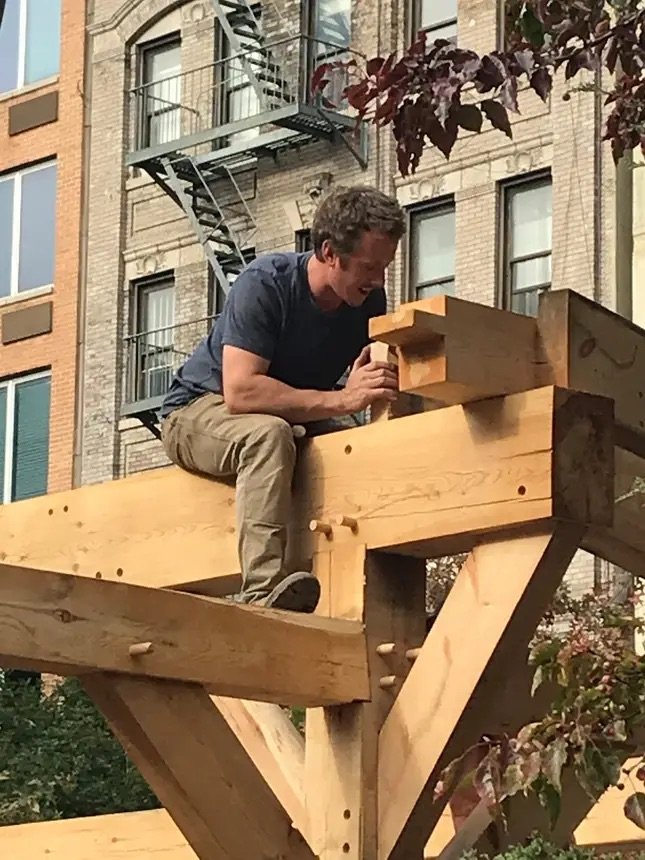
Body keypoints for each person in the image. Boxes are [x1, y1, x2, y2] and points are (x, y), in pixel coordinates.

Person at [159, 185, 405, 613]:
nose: (378, 280)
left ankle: (373, 596)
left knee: (357, 450)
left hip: (289, 419)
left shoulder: (367, 301)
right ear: (329, 253)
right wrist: (344, 399)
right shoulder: (267, 282)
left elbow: (367, 383)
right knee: (268, 436)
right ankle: (261, 592)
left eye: (385, 267)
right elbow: (241, 391)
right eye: (369, 266)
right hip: (198, 410)